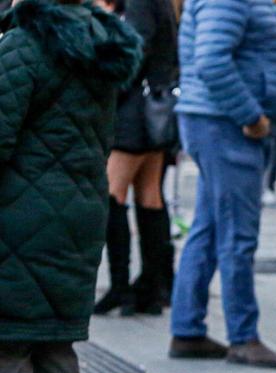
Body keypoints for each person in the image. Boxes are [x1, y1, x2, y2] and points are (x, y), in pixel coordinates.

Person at [0, 0, 142, 373]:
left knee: (9, 346)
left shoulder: (24, 45)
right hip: (80, 211)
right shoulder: (100, 44)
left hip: (20, 216)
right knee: (56, 346)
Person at [172, 0, 276, 367]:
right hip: (227, 124)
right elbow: (212, 61)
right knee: (237, 235)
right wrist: (250, 115)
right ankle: (243, 336)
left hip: (217, 120)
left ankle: (187, 329)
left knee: (209, 228)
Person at [94, 0, 179, 318]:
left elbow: (135, 50)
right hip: (153, 106)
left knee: (112, 194)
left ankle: (121, 288)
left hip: (134, 112)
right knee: (149, 195)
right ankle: (151, 288)